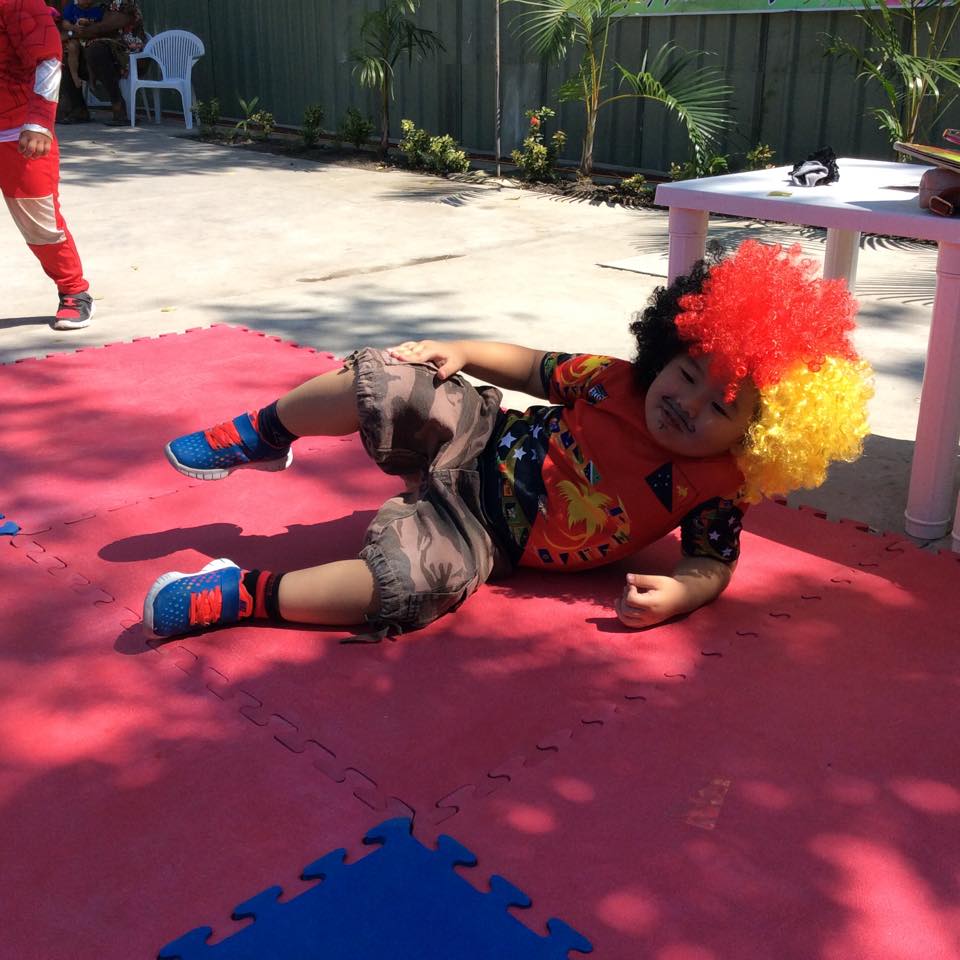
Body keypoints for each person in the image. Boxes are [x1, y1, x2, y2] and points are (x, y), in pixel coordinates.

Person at [142, 241, 874, 640]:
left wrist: (682, 593)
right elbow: (528, 366)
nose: (688, 405)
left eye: (721, 407)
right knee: (392, 378)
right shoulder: (613, 381)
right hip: (477, 435)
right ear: (664, 351)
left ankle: (240, 594)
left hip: (484, 535)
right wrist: (461, 350)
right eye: (685, 374)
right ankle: (266, 432)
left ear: (759, 434)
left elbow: (712, 560)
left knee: (408, 589)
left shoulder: (720, 483)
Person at [0, 0, 94, 329]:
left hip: (18, 131)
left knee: (39, 220)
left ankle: (73, 290)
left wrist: (39, 121)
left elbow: (48, 58)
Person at [57, 0, 143, 125]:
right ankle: (78, 109)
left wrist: (71, 33)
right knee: (67, 55)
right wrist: (73, 32)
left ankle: (119, 109)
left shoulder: (124, 4)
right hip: (103, 55)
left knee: (96, 50)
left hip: (128, 56)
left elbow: (103, 28)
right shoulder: (101, 5)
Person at [58, 0, 103, 89]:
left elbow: (99, 26)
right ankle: (75, 77)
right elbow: (65, 23)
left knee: (91, 50)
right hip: (75, 36)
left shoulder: (97, 8)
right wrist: (73, 27)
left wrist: (88, 23)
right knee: (72, 47)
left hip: (90, 38)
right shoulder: (71, 6)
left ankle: (92, 79)